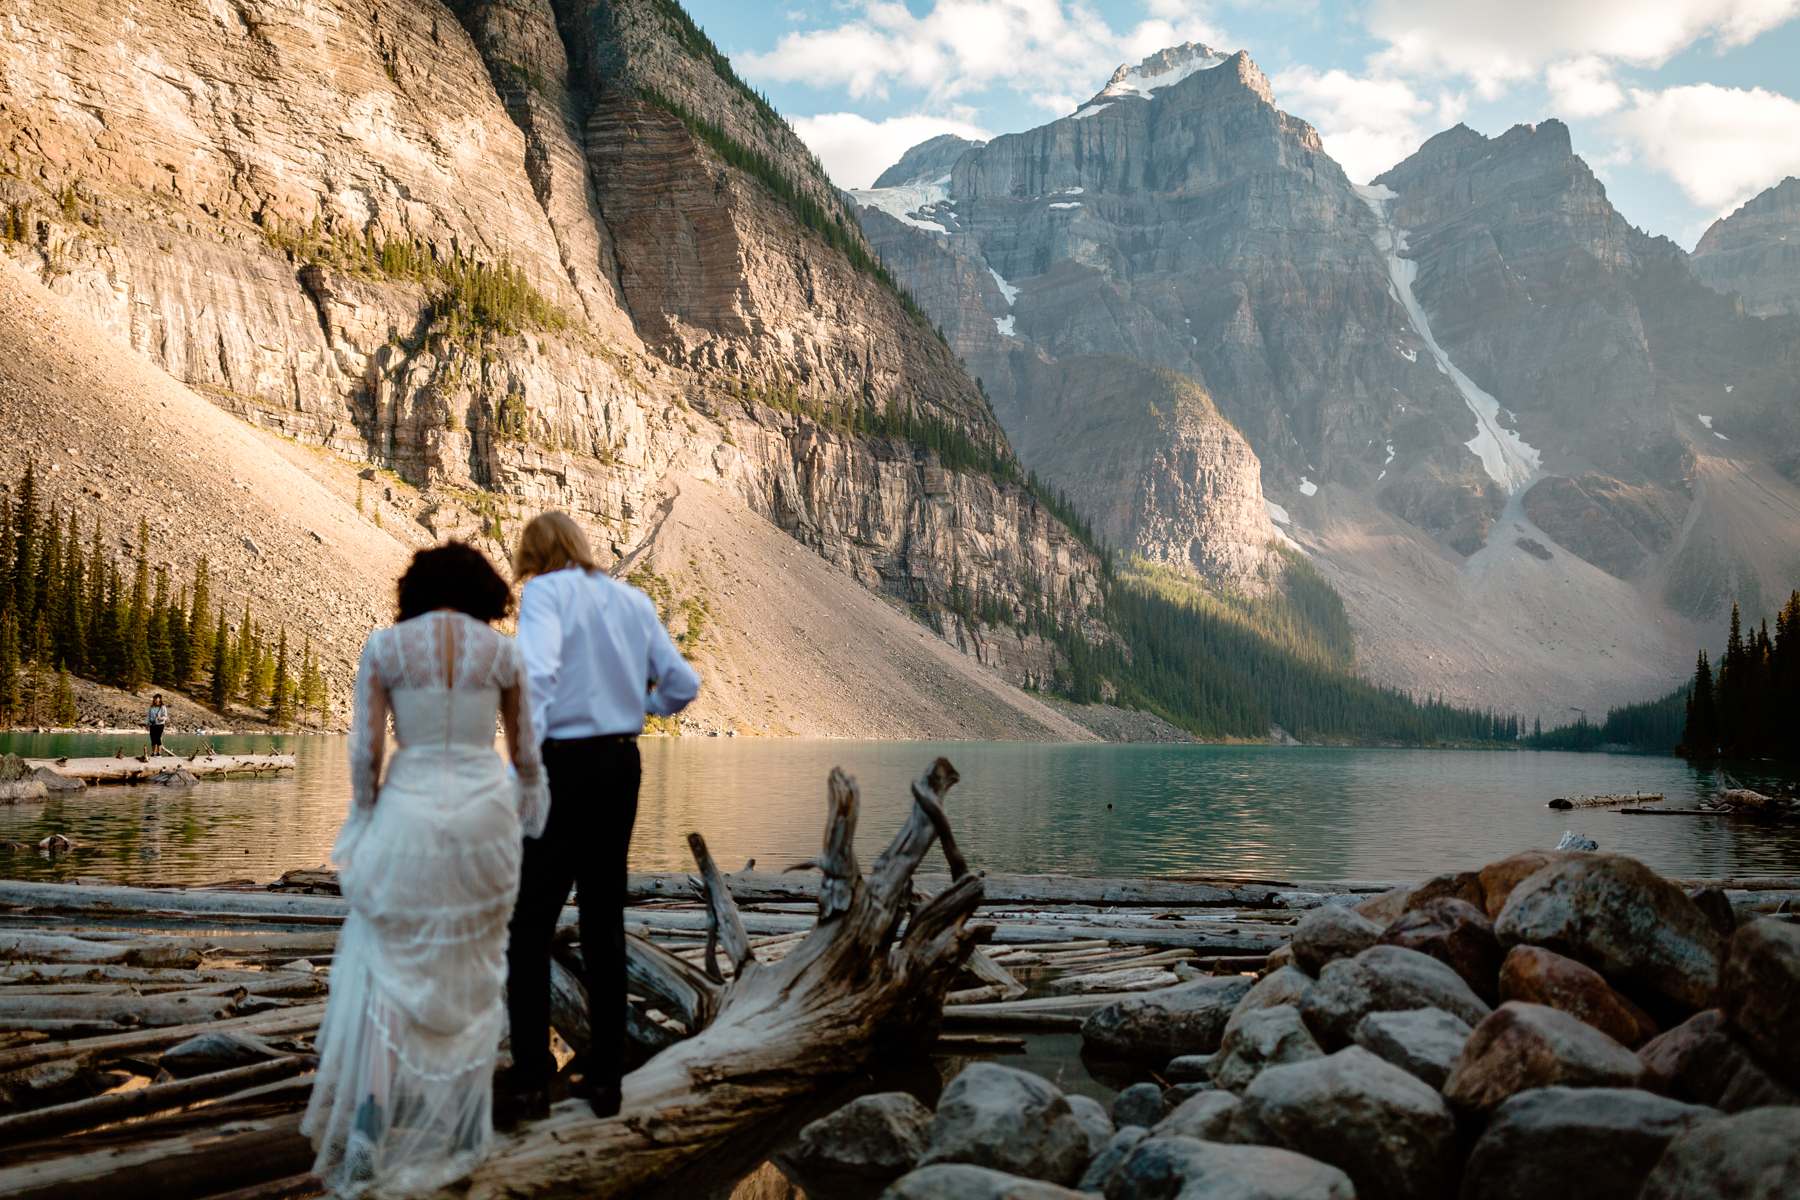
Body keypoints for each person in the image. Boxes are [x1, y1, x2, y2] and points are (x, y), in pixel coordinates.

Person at [301, 543, 548, 1197]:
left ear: (417, 589)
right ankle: (468, 1129)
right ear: (482, 592)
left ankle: (367, 1134)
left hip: (409, 812)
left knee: (387, 974)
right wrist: (528, 814)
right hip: (483, 819)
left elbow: (365, 751)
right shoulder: (502, 654)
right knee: (476, 965)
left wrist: (367, 814)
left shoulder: (386, 648)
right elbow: (525, 756)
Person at [501, 512, 700, 1124]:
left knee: (528, 924)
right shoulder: (632, 600)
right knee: (603, 916)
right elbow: (684, 685)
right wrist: (634, 704)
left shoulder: (545, 593)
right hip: (621, 764)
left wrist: (523, 764)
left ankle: (533, 1078)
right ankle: (607, 1077)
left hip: (564, 765)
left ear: (536, 556)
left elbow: (531, 674)